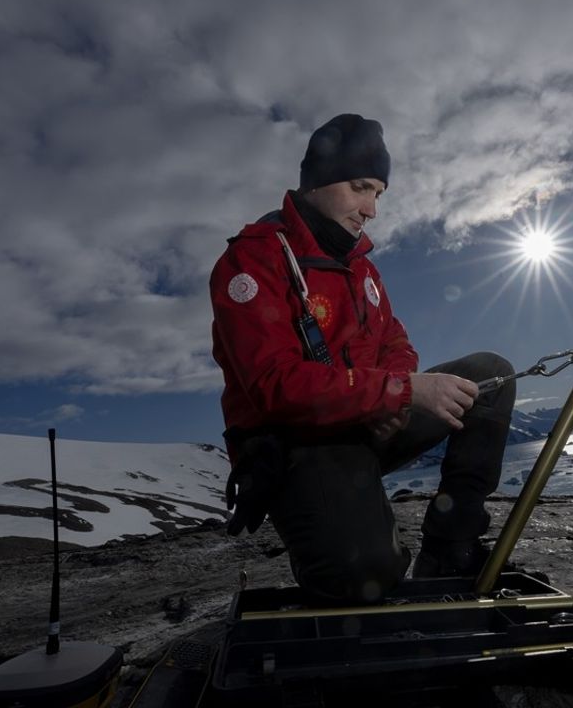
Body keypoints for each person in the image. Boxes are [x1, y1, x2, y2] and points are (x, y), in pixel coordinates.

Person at [209, 114, 516, 604]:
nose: (371, 209)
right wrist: (402, 392)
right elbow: (275, 386)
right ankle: (334, 537)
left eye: (378, 193)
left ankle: (450, 544)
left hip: (368, 425)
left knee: (490, 376)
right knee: (368, 577)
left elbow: (396, 343)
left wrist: (391, 404)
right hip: (296, 448)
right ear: (318, 181)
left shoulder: (362, 268)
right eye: (360, 188)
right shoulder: (251, 262)